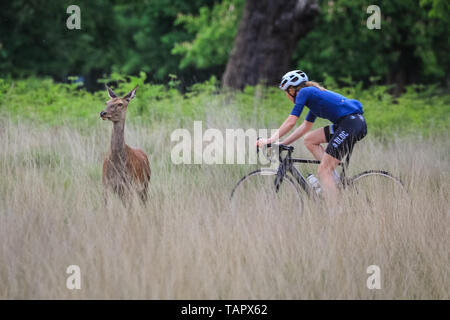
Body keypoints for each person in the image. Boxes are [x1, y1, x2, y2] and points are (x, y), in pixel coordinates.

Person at [256, 70, 367, 199]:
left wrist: (270, 140)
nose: (286, 96)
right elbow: (306, 127)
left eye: (286, 92)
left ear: (291, 90)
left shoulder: (305, 92)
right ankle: (334, 181)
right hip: (349, 123)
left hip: (350, 124)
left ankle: (335, 213)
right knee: (309, 139)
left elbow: (291, 121)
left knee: (323, 171)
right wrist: (282, 143)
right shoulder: (313, 98)